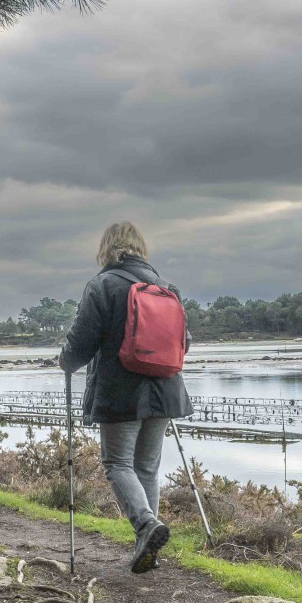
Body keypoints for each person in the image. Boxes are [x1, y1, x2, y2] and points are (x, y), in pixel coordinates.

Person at [60, 221, 192, 574]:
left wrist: (65, 362)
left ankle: (147, 526)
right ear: (140, 247)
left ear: (107, 249)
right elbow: (185, 343)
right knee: (146, 467)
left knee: (117, 464)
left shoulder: (102, 285)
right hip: (165, 387)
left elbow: (81, 342)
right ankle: (145, 549)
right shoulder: (166, 287)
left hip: (121, 392)